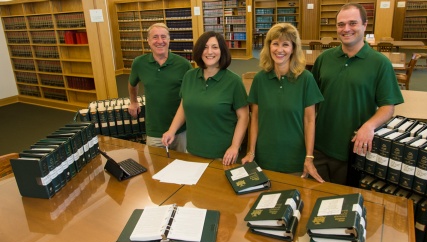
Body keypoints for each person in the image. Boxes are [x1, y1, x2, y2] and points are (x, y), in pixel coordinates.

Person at [311, 3, 404, 185]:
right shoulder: (324, 59)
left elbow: (387, 107)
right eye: (341, 24)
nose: (346, 29)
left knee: (344, 205)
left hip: (353, 149)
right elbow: (310, 100)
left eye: (352, 23)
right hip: (318, 147)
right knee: (316, 198)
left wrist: (369, 126)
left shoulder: (380, 63)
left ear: (364, 25)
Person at [241, 23, 325, 182]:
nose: (279, 50)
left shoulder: (306, 79)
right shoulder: (260, 79)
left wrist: (309, 157)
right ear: (268, 47)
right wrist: (251, 152)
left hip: (294, 160)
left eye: (285, 44)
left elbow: (309, 121)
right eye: (275, 44)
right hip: (263, 158)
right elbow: (255, 119)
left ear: (293, 48)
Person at [162, 31, 249, 166]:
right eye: (205, 47)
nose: (209, 52)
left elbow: (243, 117)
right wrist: (171, 131)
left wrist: (235, 146)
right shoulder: (189, 76)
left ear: (222, 51)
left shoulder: (234, 81)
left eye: (215, 47)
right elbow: (184, 106)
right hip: (192, 150)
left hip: (223, 155)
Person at [127, 23, 192, 152]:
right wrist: (133, 102)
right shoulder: (139, 63)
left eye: (163, 37)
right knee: (157, 167)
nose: (160, 41)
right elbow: (132, 83)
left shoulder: (184, 65)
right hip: (154, 130)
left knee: (183, 166)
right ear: (148, 41)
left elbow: (191, 93)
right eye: (155, 37)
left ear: (169, 40)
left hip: (181, 130)